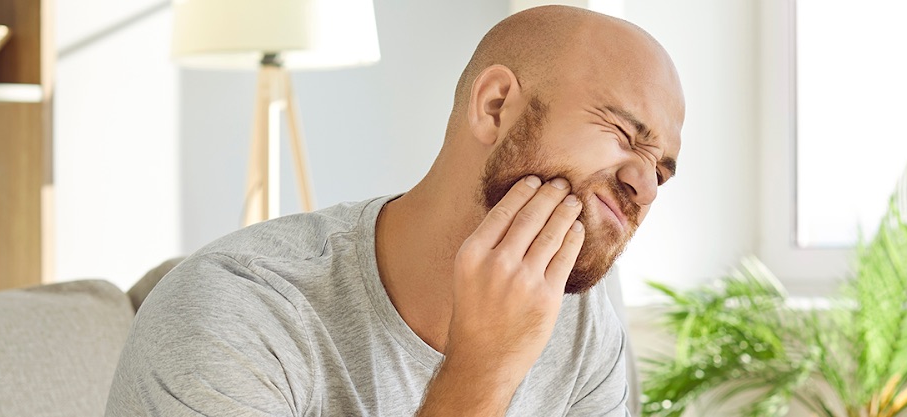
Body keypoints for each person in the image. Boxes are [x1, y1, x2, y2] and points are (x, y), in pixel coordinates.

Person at [106, 5, 683, 416]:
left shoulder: (580, 328)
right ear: (496, 105)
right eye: (623, 134)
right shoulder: (237, 312)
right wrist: (481, 370)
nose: (646, 187)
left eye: (661, 169)